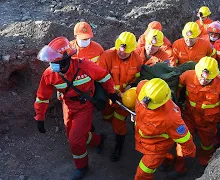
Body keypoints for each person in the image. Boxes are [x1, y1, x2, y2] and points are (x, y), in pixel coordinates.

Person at [34, 36, 118, 180]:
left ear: (66, 60)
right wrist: (40, 117)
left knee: (75, 140)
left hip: (85, 106)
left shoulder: (84, 66)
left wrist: (112, 92)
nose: (52, 66)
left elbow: (104, 76)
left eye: (56, 62)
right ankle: (98, 140)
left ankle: (82, 166)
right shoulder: (49, 74)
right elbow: (42, 96)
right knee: (73, 135)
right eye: (51, 62)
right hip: (67, 105)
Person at [170, 57, 220, 178]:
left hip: (208, 122)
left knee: (206, 144)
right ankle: (180, 167)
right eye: (200, 77)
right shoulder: (188, 75)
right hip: (189, 116)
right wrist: (176, 101)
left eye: (207, 79)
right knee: (182, 141)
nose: (203, 81)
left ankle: (204, 163)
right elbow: (177, 87)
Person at [134, 78, 196, 180]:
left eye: (149, 106)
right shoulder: (143, 87)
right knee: (164, 158)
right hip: (142, 138)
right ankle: (167, 161)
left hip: (157, 148)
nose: (144, 105)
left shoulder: (171, 118)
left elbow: (184, 137)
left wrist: (189, 152)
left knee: (142, 173)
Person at [97, 31, 143, 162]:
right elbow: (98, 76)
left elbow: (138, 77)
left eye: (126, 51)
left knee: (118, 123)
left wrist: (132, 85)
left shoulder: (137, 60)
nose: (122, 53)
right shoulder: (106, 56)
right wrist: (110, 92)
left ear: (133, 49)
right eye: (120, 49)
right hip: (107, 96)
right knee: (107, 116)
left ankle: (119, 146)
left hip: (124, 99)